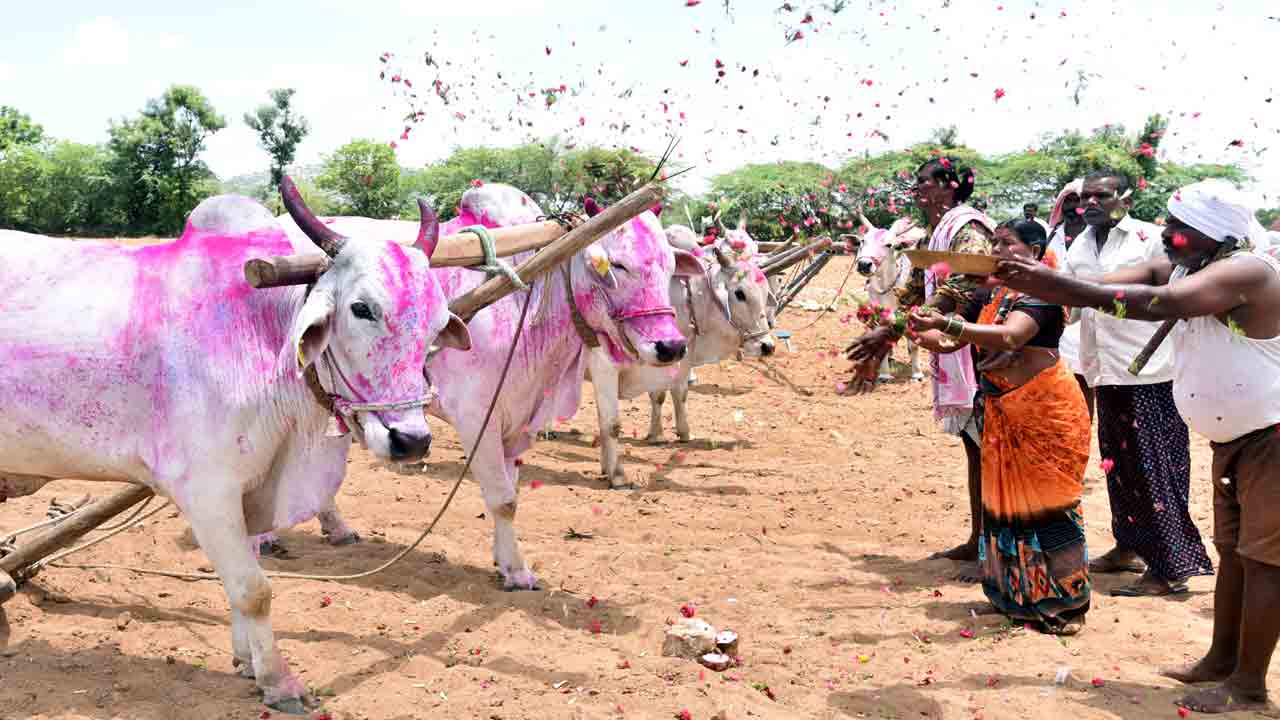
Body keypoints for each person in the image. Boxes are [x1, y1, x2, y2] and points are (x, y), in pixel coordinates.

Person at [994, 179, 1280, 714]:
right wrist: (1049, 283)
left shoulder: (1246, 272)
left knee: (1266, 563)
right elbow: (1115, 281)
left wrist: (1064, 289)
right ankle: (1222, 661)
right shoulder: (1191, 264)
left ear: (1211, 233)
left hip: (1272, 441)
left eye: (1176, 229)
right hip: (1238, 440)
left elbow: (1156, 301)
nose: (1166, 236)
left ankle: (1248, 685)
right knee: (1237, 556)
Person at [910, 219, 1091, 634]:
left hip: (1044, 412)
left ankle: (1066, 606)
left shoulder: (1045, 292)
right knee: (1004, 509)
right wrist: (924, 332)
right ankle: (1013, 595)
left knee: (1050, 507)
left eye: (1007, 243)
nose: (998, 249)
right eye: (995, 242)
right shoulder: (991, 293)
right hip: (1002, 410)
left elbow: (1011, 337)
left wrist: (949, 325)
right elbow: (951, 341)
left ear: (1034, 249)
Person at [1061, 168, 1212, 596]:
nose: (1088, 203)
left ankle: (1169, 568)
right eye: (1083, 196)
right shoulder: (1081, 244)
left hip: (1151, 372)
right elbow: (1072, 305)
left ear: (1124, 199)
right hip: (1104, 369)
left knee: (1154, 470)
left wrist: (1080, 285)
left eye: (1099, 195)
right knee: (1119, 466)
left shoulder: (1150, 237)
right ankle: (1128, 546)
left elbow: (1161, 277)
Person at [844, 157, 994, 570]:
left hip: (980, 350)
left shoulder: (968, 228)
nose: (918, 188)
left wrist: (898, 328)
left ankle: (992, 548)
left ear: (950, 186)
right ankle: (979, 539)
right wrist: (889, 331)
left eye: (926, 181)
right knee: (974, 446)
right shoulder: (938, 230)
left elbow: (963, 283)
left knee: (988, 447)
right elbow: (914, 287)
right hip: (954, 346)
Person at [1046, 179, 1095, 419]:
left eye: (1078, 201)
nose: (1073, 207)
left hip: (1088, 319)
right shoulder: (1049, 237)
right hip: (1057, 322)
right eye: (1068, 201)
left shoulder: (1096, 238)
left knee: (1086, 385)